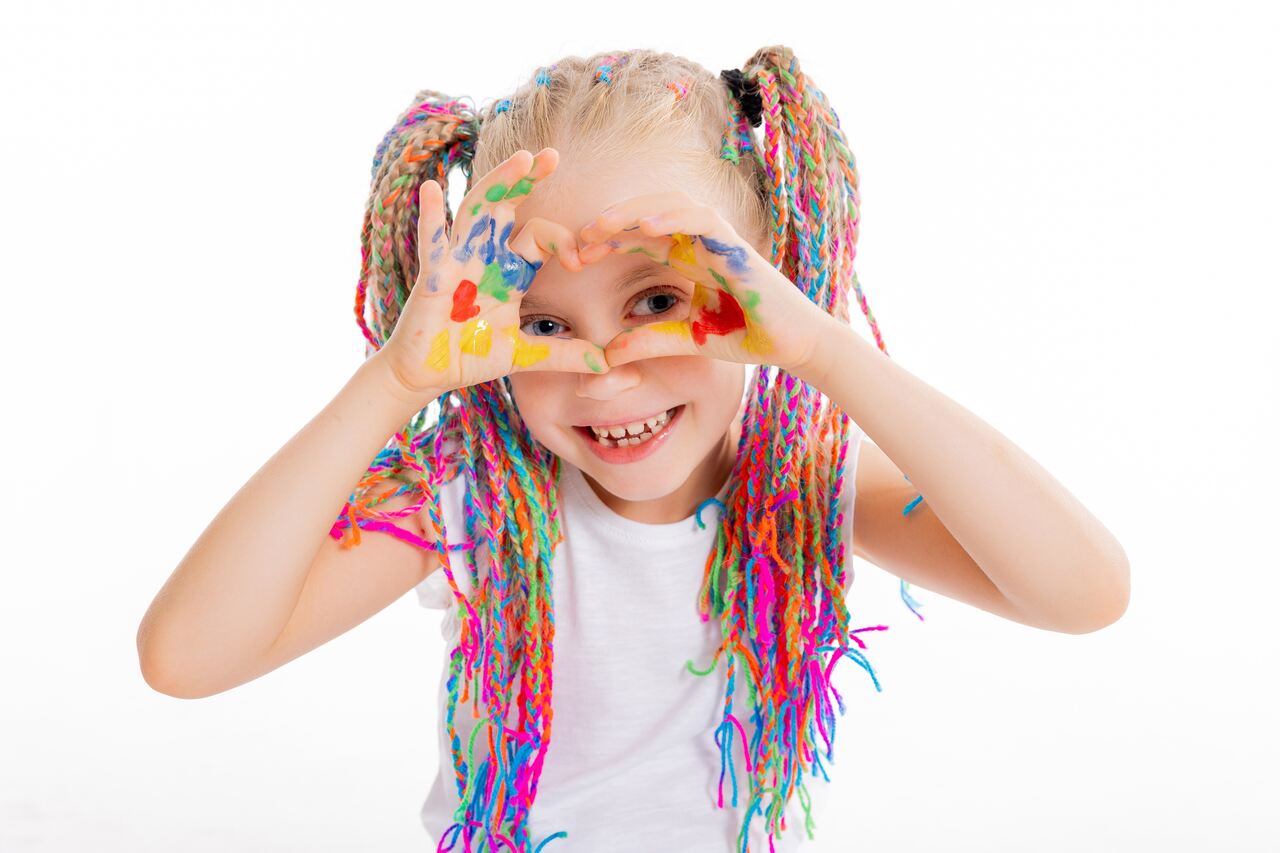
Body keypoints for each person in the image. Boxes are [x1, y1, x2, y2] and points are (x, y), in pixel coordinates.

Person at [136, 46, 1130, 852]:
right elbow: (185, 657)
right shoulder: (469, 498)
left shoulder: (806, 481)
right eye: (537, 322)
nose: (603, 368)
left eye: (656, 301)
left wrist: (823, 347)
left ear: (760, 286)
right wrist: (393, 384)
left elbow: (1082, 591)